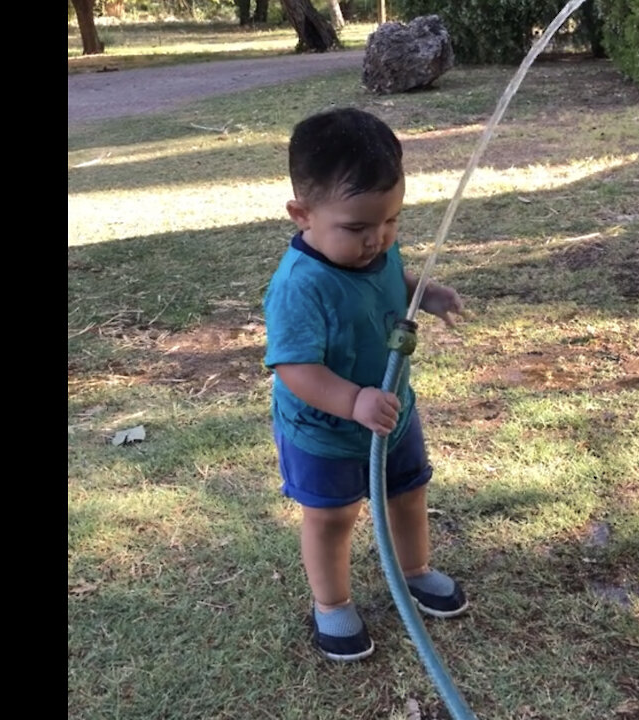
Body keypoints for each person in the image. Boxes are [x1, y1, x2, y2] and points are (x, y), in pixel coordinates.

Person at [263, 107, 469, 662]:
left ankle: (415, 571)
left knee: (407, 493)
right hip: (324, 429)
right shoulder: (300, 287)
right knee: (332, 517)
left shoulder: (374, 242)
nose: (377, 239)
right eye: (357, 228)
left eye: (391, 221)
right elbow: (294, 369)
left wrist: (421, 293)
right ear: (302, 214)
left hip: (392, 413)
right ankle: (331, 604)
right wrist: (352, 400)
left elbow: (388, 276)